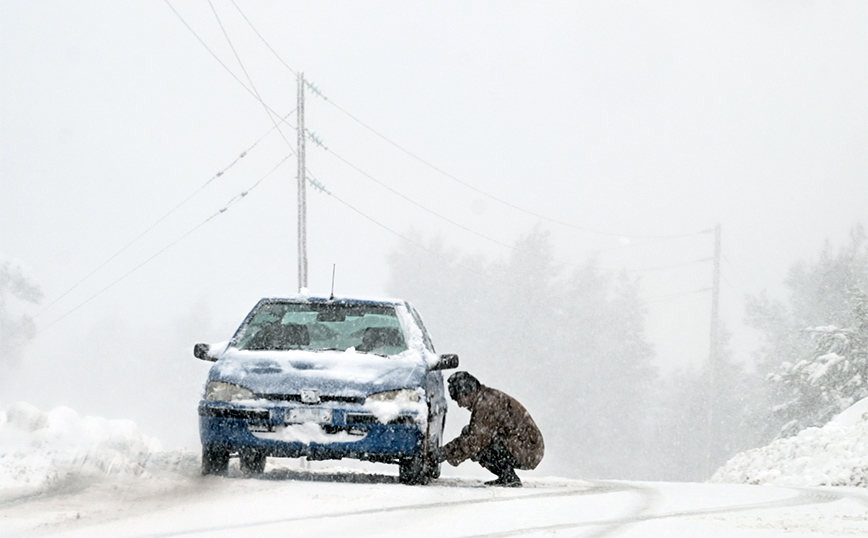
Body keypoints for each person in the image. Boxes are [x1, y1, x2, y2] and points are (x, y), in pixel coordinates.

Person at [433, 371, 544, 487]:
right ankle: (507, 475)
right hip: (525, 447)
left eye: (459, 399)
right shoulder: (486, 398)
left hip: (528, 450)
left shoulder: (486, 404)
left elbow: (475, 441)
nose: (460, 405)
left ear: (468, 393)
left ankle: (508, 477)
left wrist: (443, 453)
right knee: (471, 435)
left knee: (478, 443)